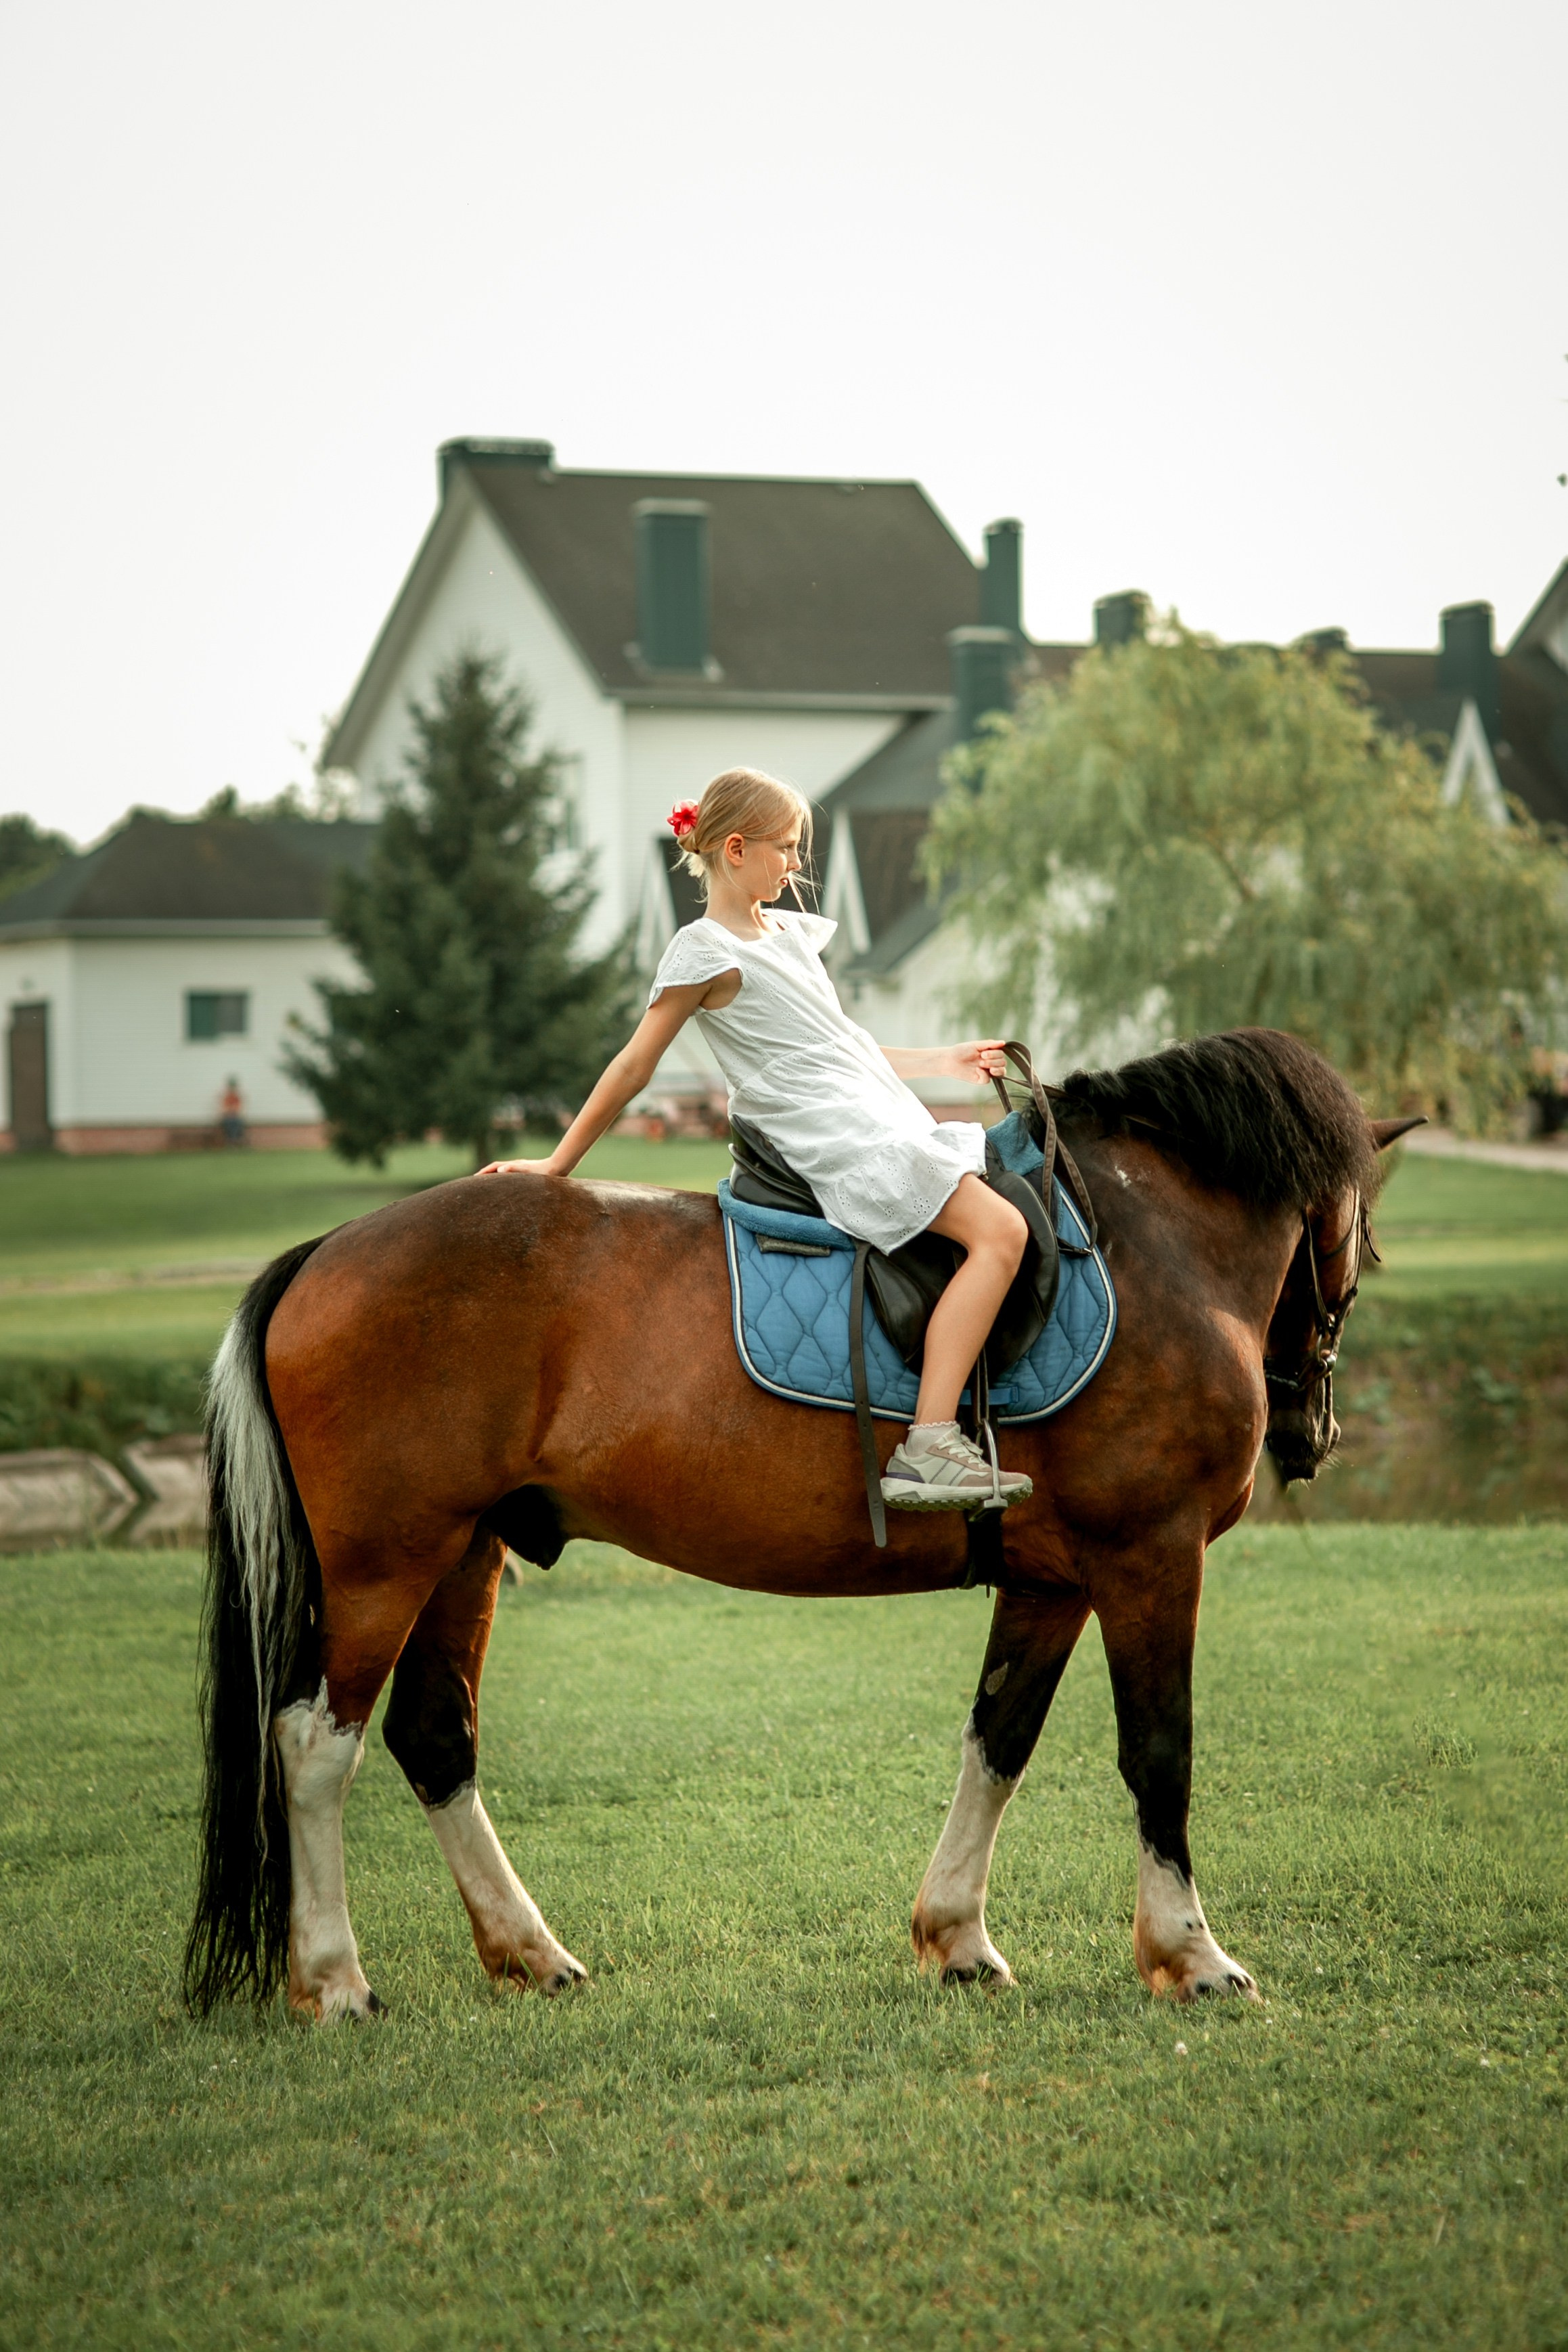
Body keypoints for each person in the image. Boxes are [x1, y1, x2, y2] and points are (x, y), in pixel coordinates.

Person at [479, 767, 1033, 1512]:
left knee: (1005, 1204)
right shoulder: (703, 949)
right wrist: (557, 1163)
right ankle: (928, 1443)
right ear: (735, 849)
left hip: (870, 1107)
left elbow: (841, 1045)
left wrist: (944, 1061)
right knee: (1001, 1233)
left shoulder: (788, 936)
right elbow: (634, 1064)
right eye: (788, 848)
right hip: (833, 1133)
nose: (798, 865)